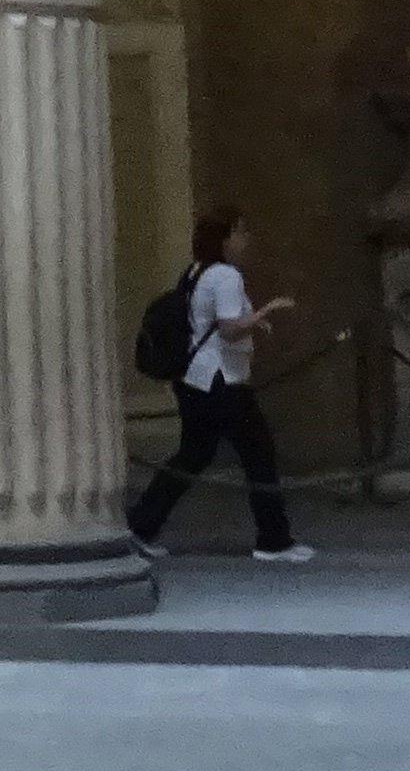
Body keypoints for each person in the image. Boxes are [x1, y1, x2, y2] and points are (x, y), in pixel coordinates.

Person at [125, 208, 308, 564]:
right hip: (222, 380)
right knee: (259, 455)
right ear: (225, 238)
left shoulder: (195, 272)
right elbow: (227, 328)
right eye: (240, 232)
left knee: (193, 455)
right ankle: (274, 539)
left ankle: (141, 525)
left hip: (196, 379)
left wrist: (250, 321)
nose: (245, 238)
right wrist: (263, 314)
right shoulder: (226, 276)